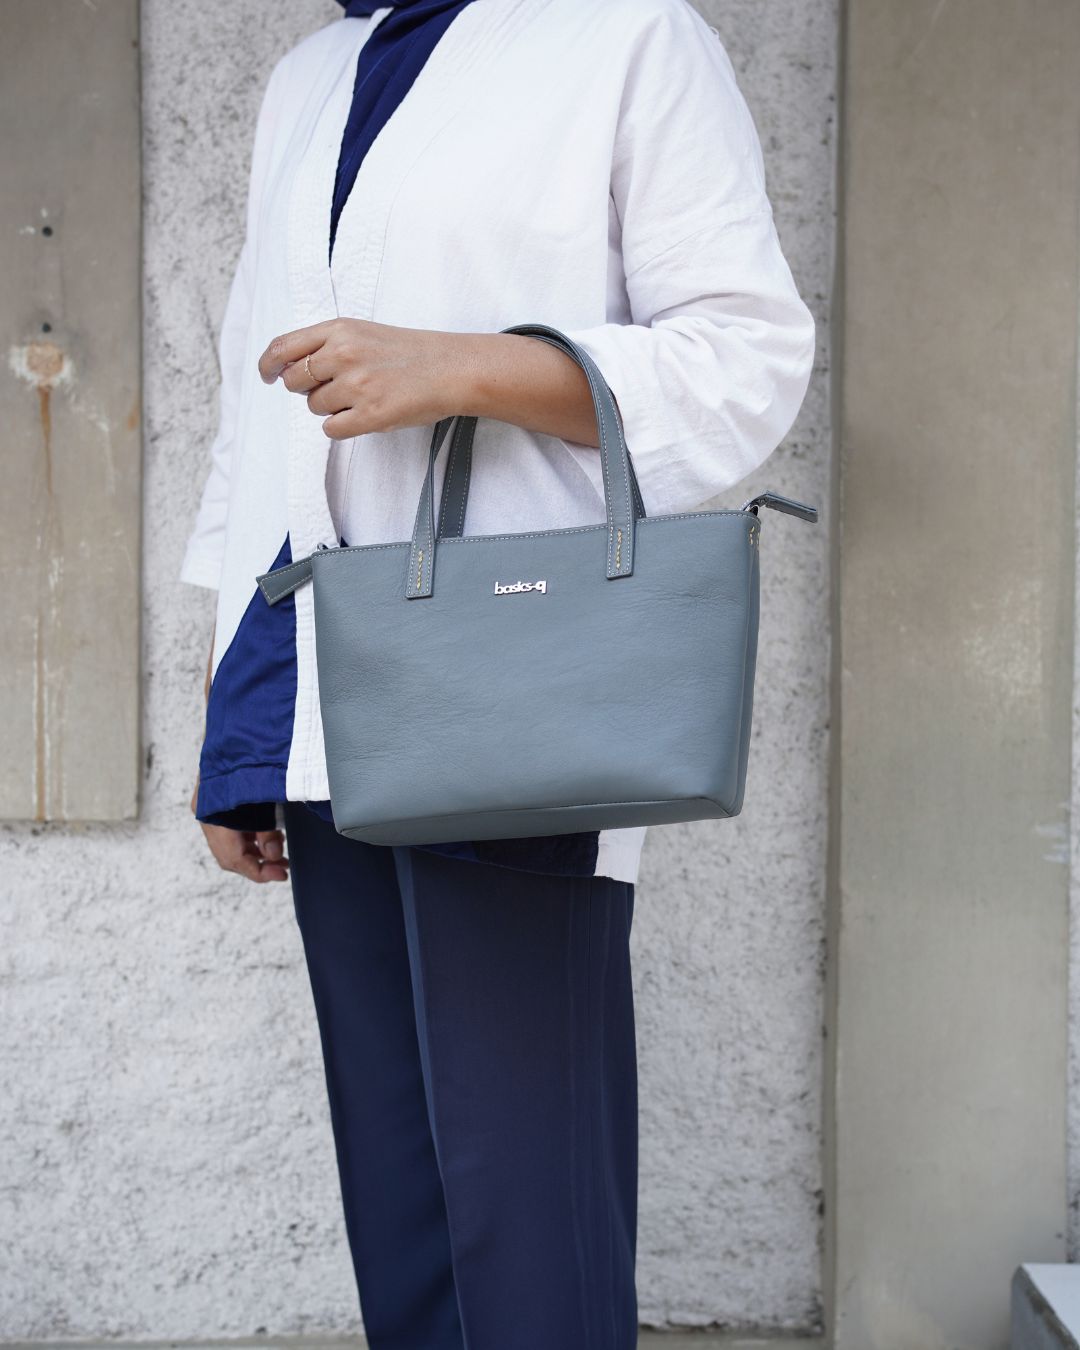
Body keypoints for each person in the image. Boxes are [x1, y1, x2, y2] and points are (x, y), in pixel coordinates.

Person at [179, 1, 815, 1346]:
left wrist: (466, 366)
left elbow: (745, 359)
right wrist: (242, 728)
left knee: (525, 1210)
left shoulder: (627, 35)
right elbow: (257, 428)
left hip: (522, 702)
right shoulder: (311, 73)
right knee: (403, 1208)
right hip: (335, 703)